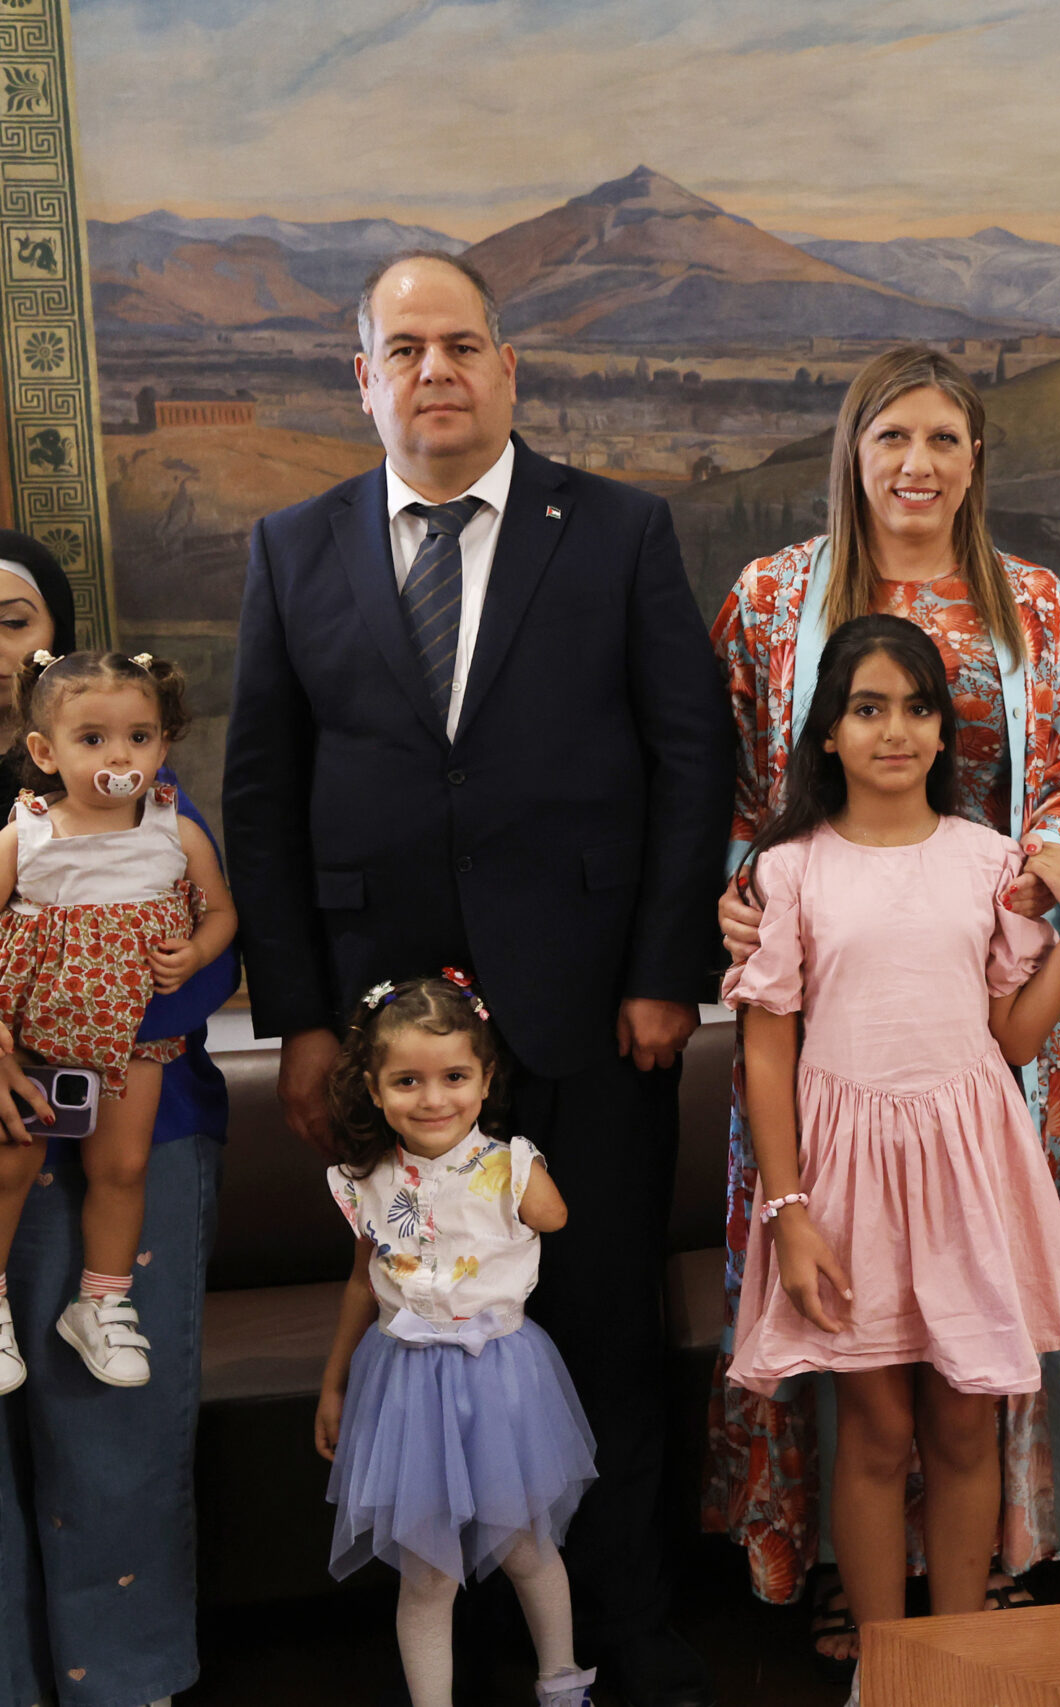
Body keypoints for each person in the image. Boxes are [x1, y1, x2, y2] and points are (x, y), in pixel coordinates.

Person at [224, 251, 730, 1705]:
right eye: (405, 349)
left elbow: (689, 753)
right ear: (363, 378)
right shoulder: (293, 546)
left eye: (460, 345)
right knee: (423, 1340)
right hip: (389, 1047)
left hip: (594, 1013)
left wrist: (665, 969)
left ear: (509, 368)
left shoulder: (618, 528)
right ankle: (464, 1643)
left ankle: (623, 1631)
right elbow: (260, 792)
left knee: (603, 1330)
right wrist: (300, 1018)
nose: (434, 371)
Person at [709, 346, 1060, 1657]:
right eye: (892, 436)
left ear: (976, 457)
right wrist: (736, 891)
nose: (917, 464)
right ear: (853, 449)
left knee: (968, 1340)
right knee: (849, 1320)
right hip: (824, 1019)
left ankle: (980, 1580)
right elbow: (723, 784)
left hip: (984, 1001)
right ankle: (846, 1575)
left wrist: (1036, 889)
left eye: (944, 438)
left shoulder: (1032, 604)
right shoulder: (773, 598)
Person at [725, 616, 1060, 1700]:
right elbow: (767, 1054)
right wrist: (790, 1209)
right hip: (846, 1180)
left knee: (966, 1419)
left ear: (944, 732)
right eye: (868, 708)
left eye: (917, 708)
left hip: (967, 1168)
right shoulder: (789, 871)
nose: (895, 730)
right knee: (878, 1427)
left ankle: (961, 1664)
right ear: (828, 733)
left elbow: (1011, 1040)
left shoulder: (985, 862)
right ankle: (888, 1673)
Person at [0, 533, 238, 1707]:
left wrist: (93, 1026)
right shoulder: (22, 829)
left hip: (139, 1120)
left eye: (13, 620)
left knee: (112, 1423)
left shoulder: (150, 800)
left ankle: (126, 1685)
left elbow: (204, 950)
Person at [316, 973, 597, 1707]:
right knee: (427, 1573)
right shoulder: (368, 1180)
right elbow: (361, 1284)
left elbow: (555, 1217)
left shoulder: (510, 1166)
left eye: (454, 1077)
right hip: (405, 1384)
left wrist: (521, 1166)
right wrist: (334, 1382)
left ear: (486, 1079)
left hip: (500, 1376)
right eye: (407, 1081)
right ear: (375, 1089)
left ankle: (562, 1682)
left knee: (527, 1546)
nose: (433, 1099)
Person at [0, 651, 234, 1388]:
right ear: (46, 752)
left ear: (163, 744)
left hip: (134, 1035)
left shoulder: (174, 828)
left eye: (139, 737)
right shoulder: (26, 832)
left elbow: (221, 912)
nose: (120, 756)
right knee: (11, 1162)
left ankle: (101, 1301)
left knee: (124, 1166)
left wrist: (196, 951)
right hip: (35, 1037)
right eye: (93, 739)